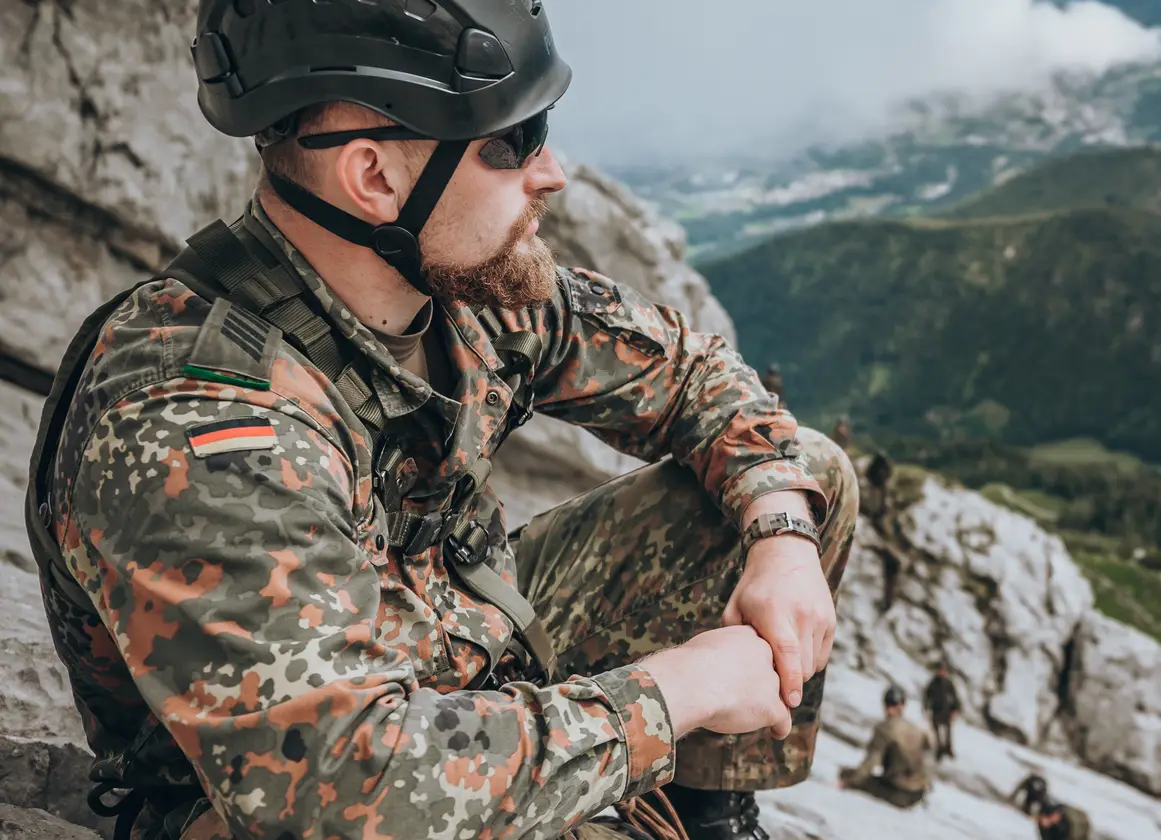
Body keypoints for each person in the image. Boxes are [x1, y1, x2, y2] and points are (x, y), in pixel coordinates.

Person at [24, 3, 858, 839]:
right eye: (515, 137)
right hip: (308, 791)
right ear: (376, 178)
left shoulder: (455, 287)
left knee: (806, 475)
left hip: (450, 653)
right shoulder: (199, 418)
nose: (551, 171)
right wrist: (687, 688)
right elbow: (346, 784)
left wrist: (782, 534)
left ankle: (703, 816)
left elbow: (694, 376)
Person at [836, 686, 935, 809]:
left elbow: (870, 763)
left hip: (898, 794)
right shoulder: (916, 730)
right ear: (903, 705)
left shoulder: (884, 729)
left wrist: (848, 782)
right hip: (918, 793)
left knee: (846, 773)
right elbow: (928, 763)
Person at [923, 662, 961, 760]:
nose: (942, 672)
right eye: (940, 670)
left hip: (946, 710)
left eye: (944, 671)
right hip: (935, 710)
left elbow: (954, 697)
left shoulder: (948, 683)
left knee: (947, 731)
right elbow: (927, 696)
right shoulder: (933, 683)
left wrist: (956, 708)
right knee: (937, 732)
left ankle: (948, 748)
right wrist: (926, 708)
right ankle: (939, 749)